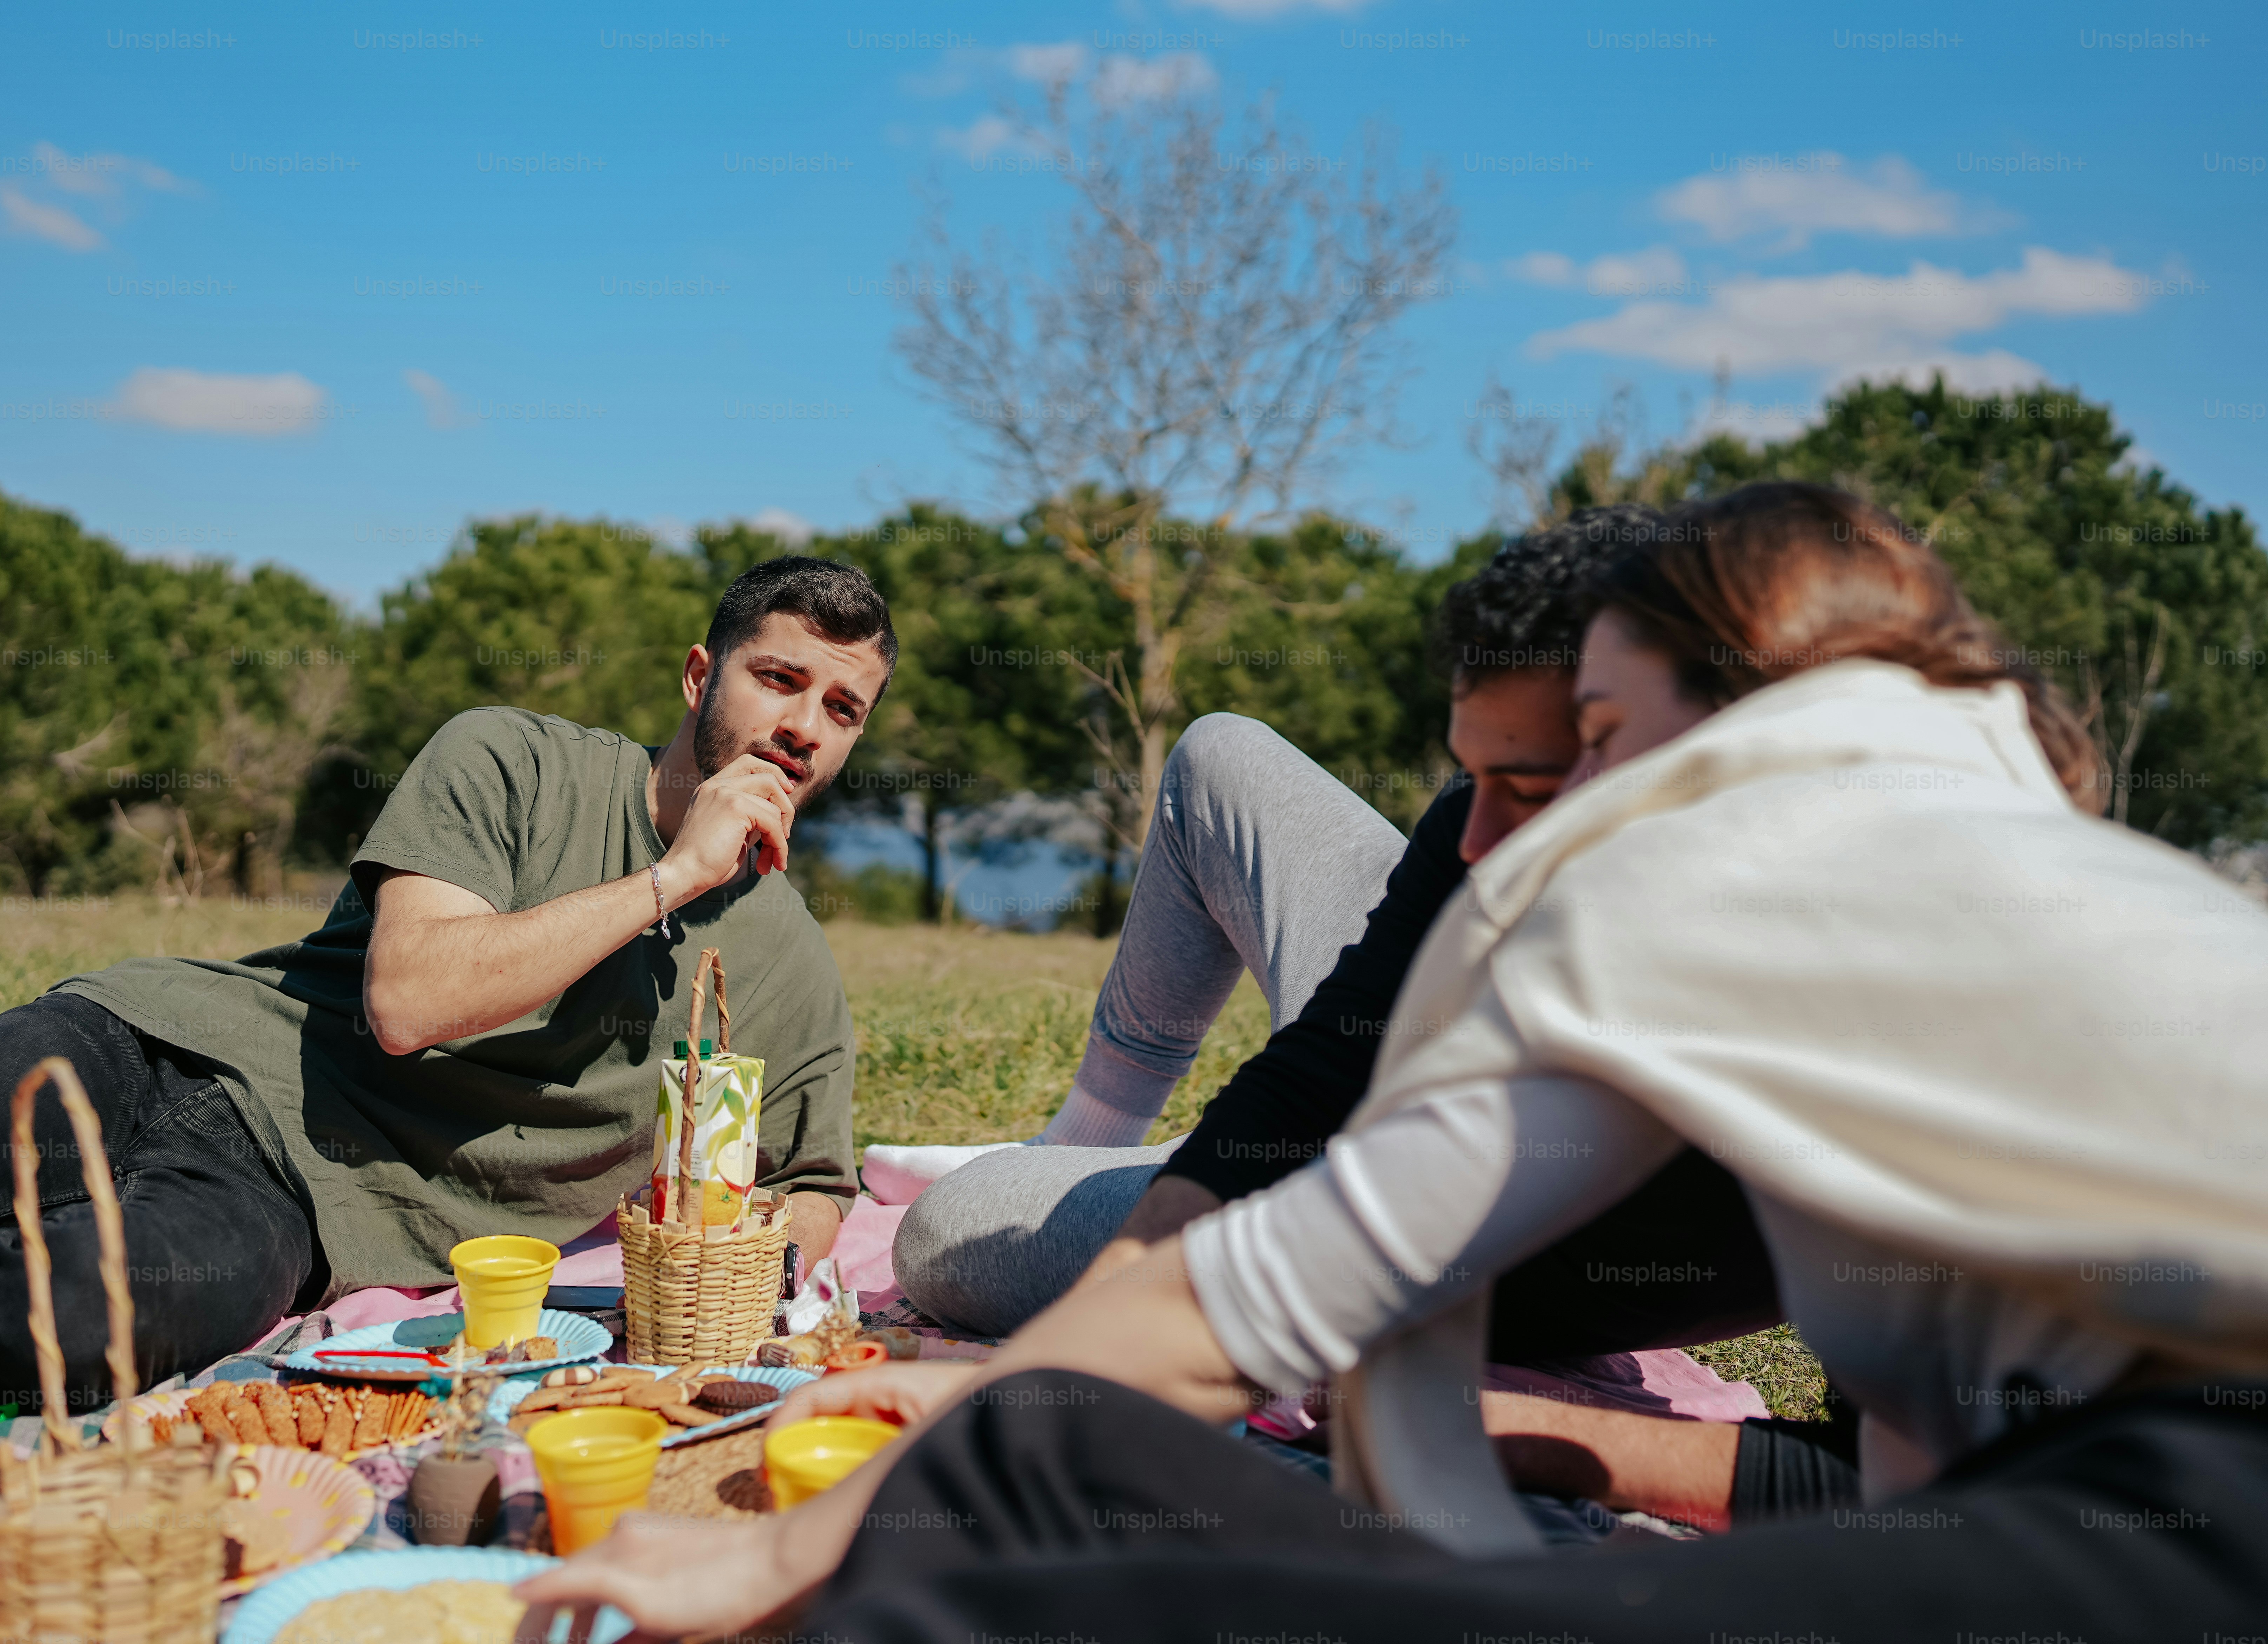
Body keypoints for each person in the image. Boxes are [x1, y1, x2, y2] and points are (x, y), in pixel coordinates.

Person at [517, 483, 2268, 1640]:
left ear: (1722, 725)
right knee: (1037, 1451)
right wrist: (984, 1416)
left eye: (1586, 742)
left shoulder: (1755, 876)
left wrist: (771, 1555)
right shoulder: (1749, 889)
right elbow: (1285, 1249)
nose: (1501, 840)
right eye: (1504, 769)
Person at [0, 556, 894, 1407]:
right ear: (703, 676)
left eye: (843, 710)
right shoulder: (511, 757)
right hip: (161, 1042)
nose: (802, 728)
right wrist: (672, 877)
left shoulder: (788, 961)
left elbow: (817, 1186)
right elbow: (409, 1004)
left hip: (302, 1197)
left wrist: (744, 1290)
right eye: (779, 679)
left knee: (70, 1327)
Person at [885, 505, 1778, 1371]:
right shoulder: (1486, 834)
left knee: (951, 1232)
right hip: (1404, 1091)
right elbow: (1325, 1061)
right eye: (1475, 776)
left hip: (1452, 1221)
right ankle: (1087, 1146)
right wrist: (1135, 1271)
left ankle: (1135, 1172)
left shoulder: (1848, 990)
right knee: (1218, 752)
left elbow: (1869, 1476)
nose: (1473, 841)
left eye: (1532, 786)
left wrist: (1521, 1434)